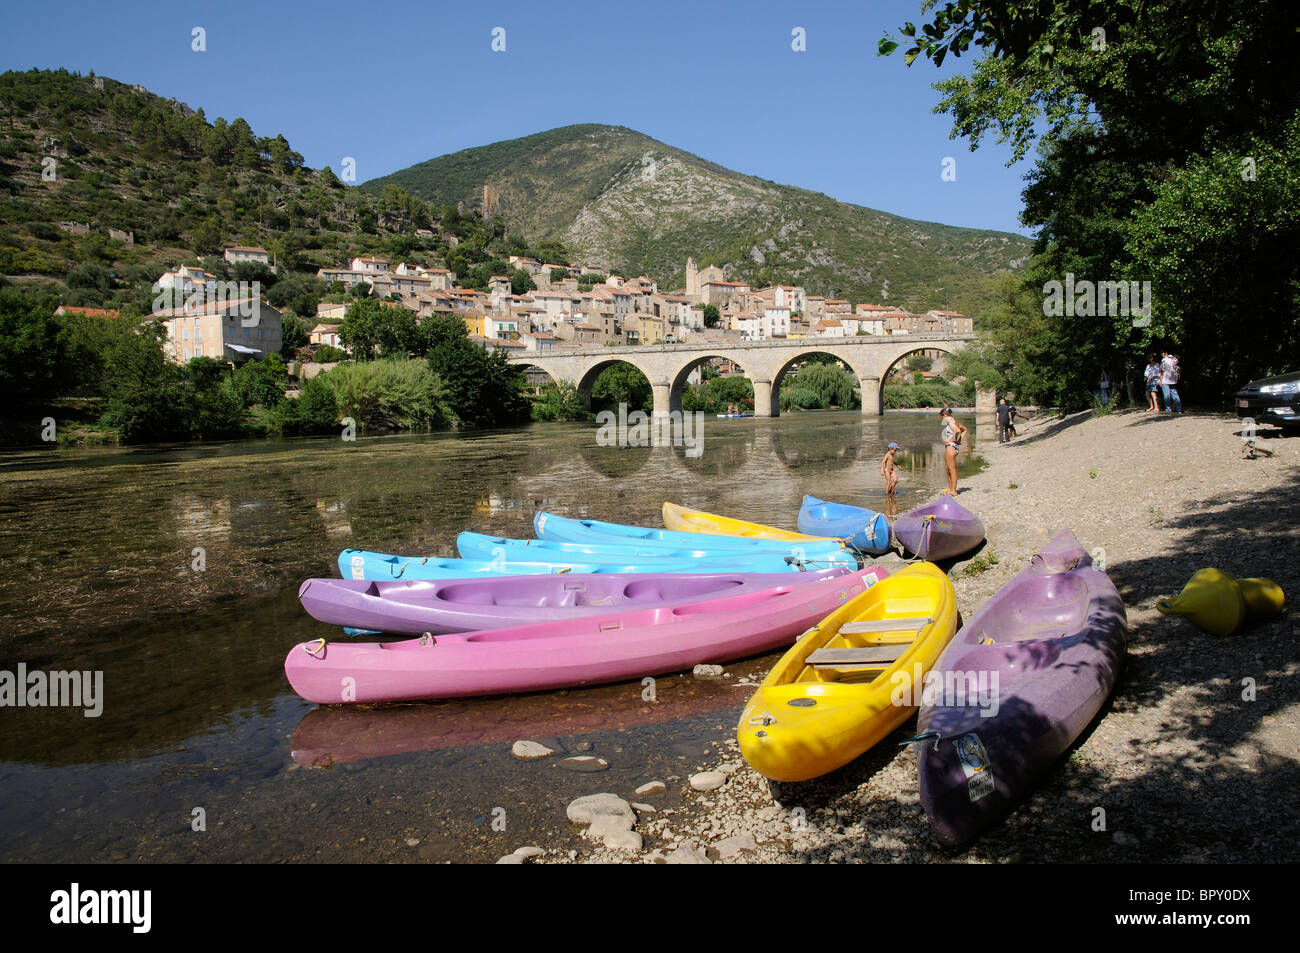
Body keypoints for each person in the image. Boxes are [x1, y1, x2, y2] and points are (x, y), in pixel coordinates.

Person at [939, 407, 967, 495]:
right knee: (948, 469)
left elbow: (958, 430)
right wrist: (959, 441)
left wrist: (950, 439)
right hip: (952, 446)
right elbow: (965, 429)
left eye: (942, 417)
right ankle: (951, 488)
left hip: (950, 447)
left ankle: (954, 491)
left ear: (945, 415)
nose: (942, 419)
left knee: (952, 469)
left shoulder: (951, 422)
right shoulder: (954, 421)